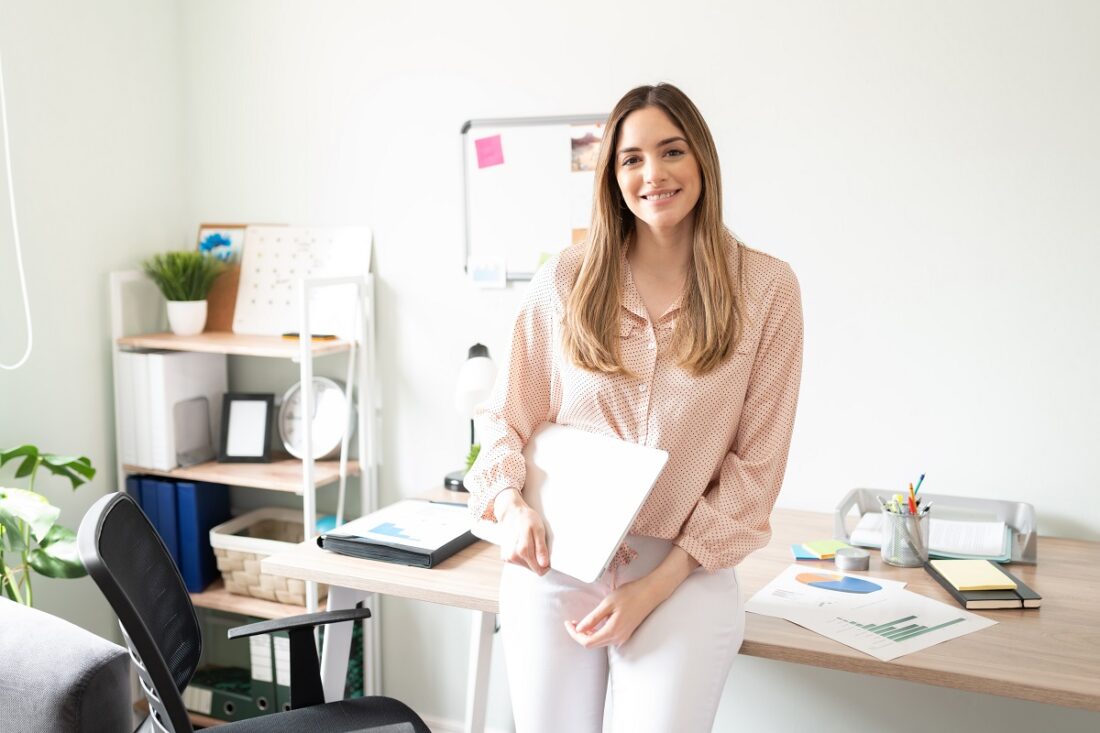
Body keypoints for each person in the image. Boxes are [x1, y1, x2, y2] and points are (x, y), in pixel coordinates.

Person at [465, 82, 803, 733]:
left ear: (701, 159)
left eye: (671, 152)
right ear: (611, 174)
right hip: (556, 558)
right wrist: (510, 506)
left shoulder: (767, 291)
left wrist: (653, 585)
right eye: (631, 159)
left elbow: (755, 469)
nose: (653, 174)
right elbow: (503, 416)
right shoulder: (564, 279)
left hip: (684, 568)